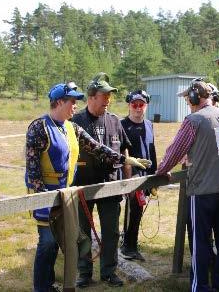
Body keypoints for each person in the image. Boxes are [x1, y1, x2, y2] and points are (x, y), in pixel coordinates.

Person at [25, 82, 151, 292]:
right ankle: (42, 287)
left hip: (66, 196)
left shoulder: (72, 127)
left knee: (57, 243)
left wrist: (126, 160)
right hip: (45, 196)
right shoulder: (39, 127)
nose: (76, 106)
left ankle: (48, 284)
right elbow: (32, 169)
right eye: (72, 102)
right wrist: (43, 198)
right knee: (47, 243)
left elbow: (97, 148)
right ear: (58, 102)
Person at [156, 79, 219, 292]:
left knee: (200, 242)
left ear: (196, 97)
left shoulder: (193, 120)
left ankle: (201, 287)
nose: (187, 102)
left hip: (202, 192)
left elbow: (174, 152)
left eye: (188, 98)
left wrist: (161, 171)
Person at [71, 72, 130, 288]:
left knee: (111, 232)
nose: (108, 100)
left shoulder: (115, 121)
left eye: (109, 96)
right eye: (104, 96)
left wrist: (128, 183)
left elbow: (124, 151)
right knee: (83, 233)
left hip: (111, 186)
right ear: (92, 97)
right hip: (83, 188)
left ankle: (109, 272)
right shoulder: (75, 122)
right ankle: (84, 273)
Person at [120, 89, 157, 261]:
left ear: (146, 106)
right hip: (131, 176)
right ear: (129, 105)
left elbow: (152, 150)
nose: (137, 108)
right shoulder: (122, 125)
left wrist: (156, 177)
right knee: (132, 210)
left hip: (146, 176)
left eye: (141, 105)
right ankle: (128, 247)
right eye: (134, 105)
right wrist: (129, 177)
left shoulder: (149, 124)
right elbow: (121, 155)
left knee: (138, 211)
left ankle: (131, 243)